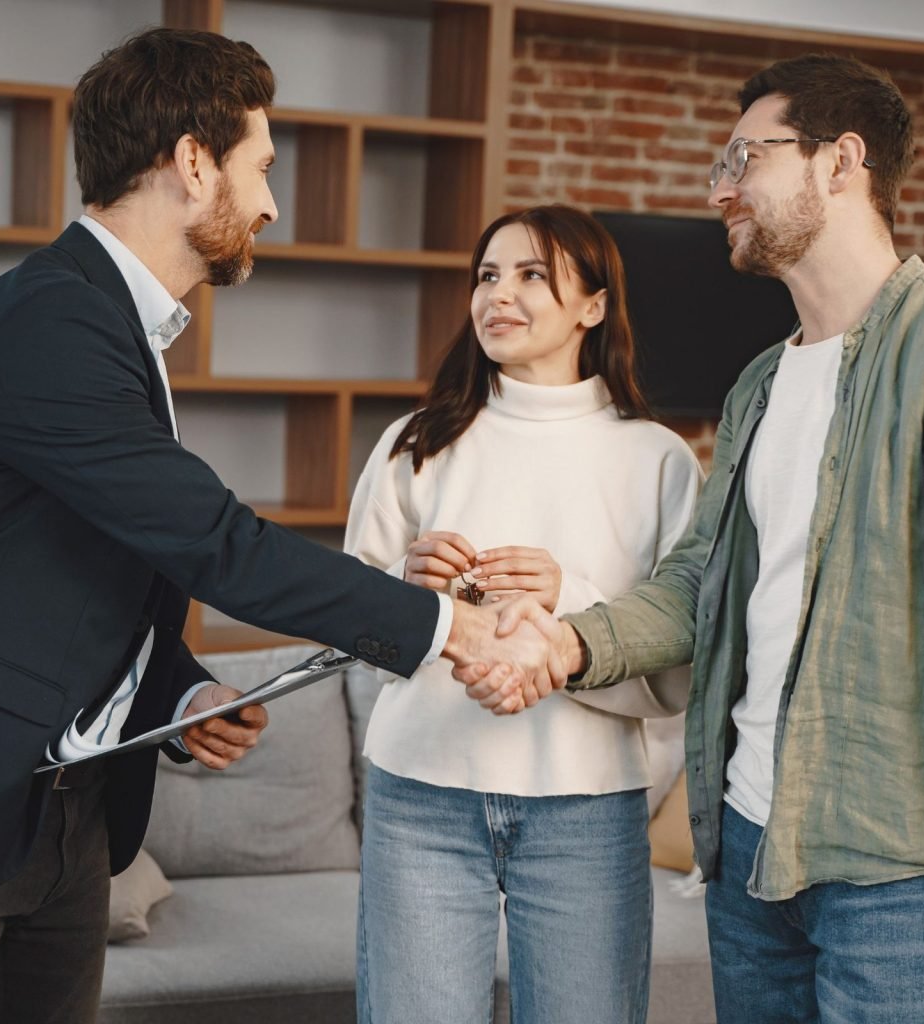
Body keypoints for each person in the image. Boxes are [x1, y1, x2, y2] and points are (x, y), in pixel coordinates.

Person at [0, 28, 557, 1024]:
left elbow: (92, 564)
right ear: (193, 162)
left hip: (71, 818)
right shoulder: (51, 320)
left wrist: (183, 690)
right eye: (261, 167)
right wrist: (446, 626)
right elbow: (212, 540)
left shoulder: (111, 323)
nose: (272, 204)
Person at [465, 54, 924, 1024]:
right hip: (745, 846)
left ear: (841, 163)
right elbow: (697, 580)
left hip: (897, 868)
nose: (721, 188)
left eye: (745, 157)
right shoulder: (759, 386)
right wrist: (564, 639)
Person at [345, 204, 702, 1024]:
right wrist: (404, 590)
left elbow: (679, 662)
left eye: (532, 274)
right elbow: (350, 630)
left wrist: (568, 604)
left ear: (595, 306)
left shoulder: (659, 460)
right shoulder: (416, 442)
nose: (499, 294)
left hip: (589, 808)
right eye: (487, 275)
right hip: (420, 798)